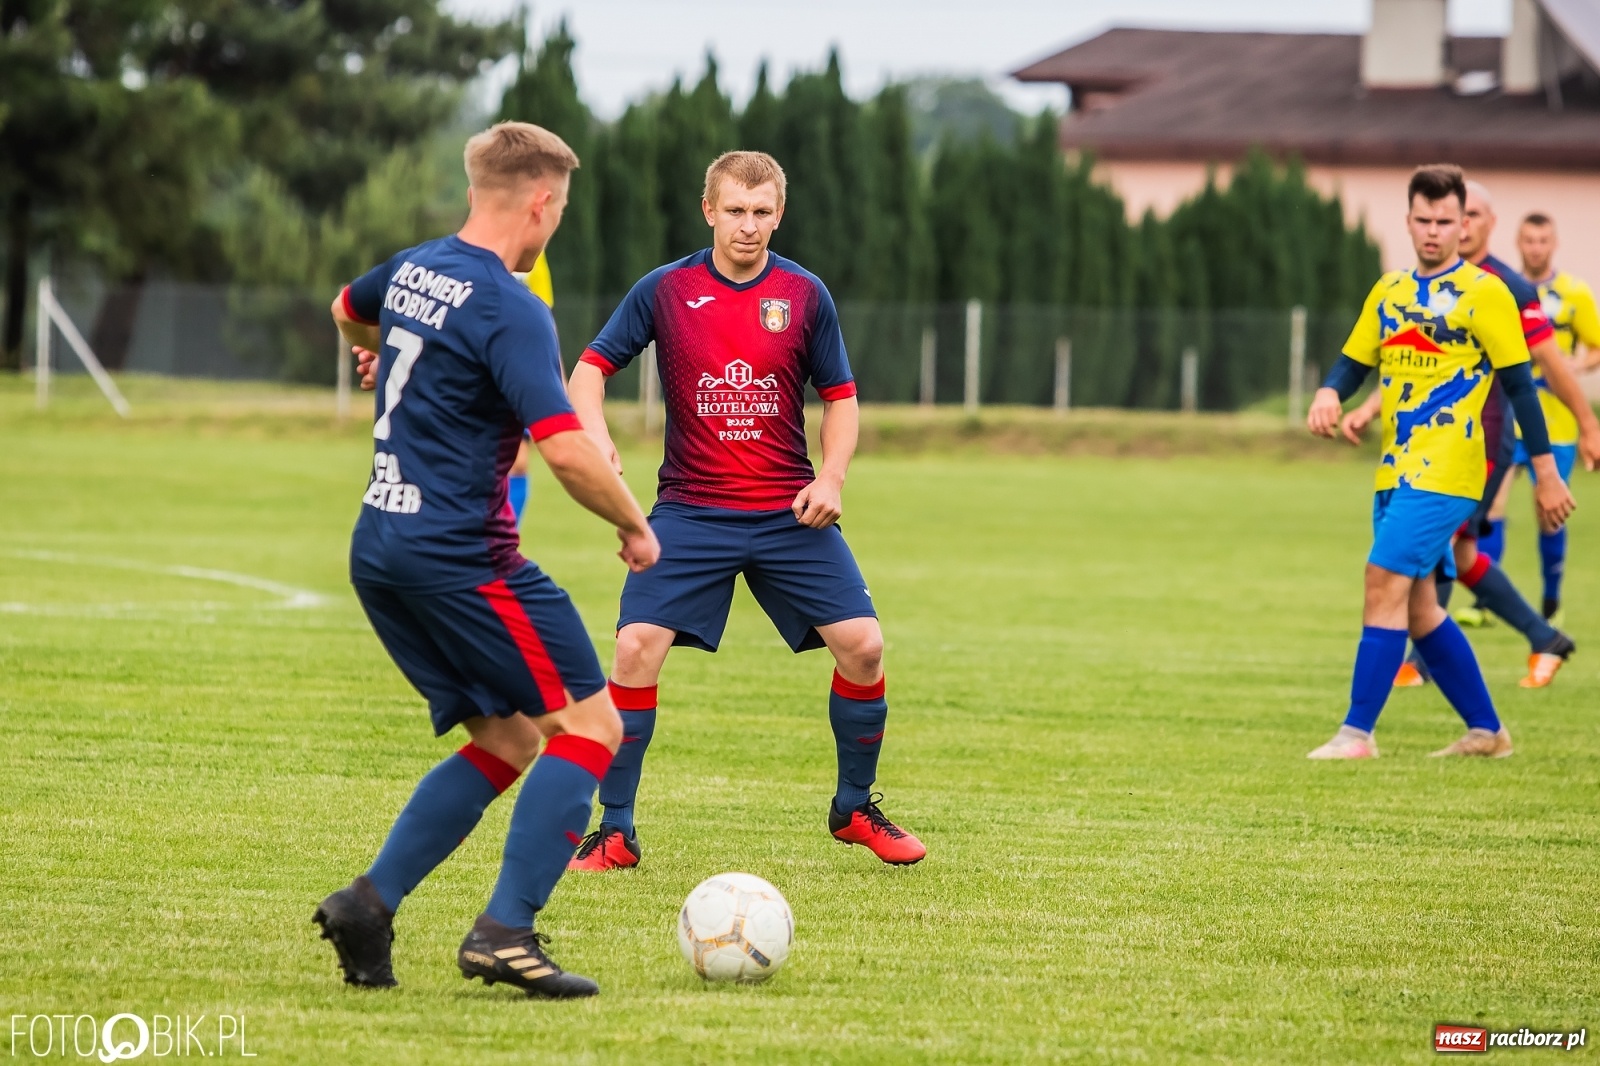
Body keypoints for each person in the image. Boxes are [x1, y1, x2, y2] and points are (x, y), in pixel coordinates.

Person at [316, 121, 660, 999]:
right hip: (461, 555)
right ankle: (506, 932)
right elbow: (568, 450)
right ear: (541, 202)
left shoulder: (414, 268)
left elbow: (346, 310)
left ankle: (369, 904)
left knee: (508, 739)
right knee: (593, 728)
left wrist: (393, 355)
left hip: (381, 548)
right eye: (561, 208)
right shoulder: (513, 306)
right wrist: (634, 525)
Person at [563, 150, 925, 870]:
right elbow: (589, 371)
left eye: (762, 213)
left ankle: (854, 807)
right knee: (635, 649)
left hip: (788, 511)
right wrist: (597, 438)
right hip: (691, 511)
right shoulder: (667, 289)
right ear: (709, 211)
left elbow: (842, 399)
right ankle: (616, 831)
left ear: (778, 214)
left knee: (865, 646)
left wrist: (834, 479)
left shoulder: (804, 293)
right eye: (735, 211)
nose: (749, 227)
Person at [1306, 163, 1573, 761]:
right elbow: (1354, 361)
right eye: (1423, 220)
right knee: (1421, 607)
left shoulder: (1487, 294)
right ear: (1408, 222)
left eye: (1445, 221)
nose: (1433, 231)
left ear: (1464, 225)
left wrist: (1547, 470)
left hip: (1450, 470)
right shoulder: (1390, 290)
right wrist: (1330, 391)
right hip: (1396, 469)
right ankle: (1488, 732)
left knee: (1382, 581)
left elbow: (1523, 389)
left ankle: (1356, 734)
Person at [1341, 179, 1596, 690]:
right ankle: (1538, 639)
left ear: (1477, 223)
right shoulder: (1418, 288)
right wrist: (1370, 405)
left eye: (1467, 215)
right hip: (1421, 447)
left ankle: (1419, 661)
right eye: (1427, 218)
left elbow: (1543, 367)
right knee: (1457, 554)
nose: (1448, 225)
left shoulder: (1505, 289)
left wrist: (1588, 424)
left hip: (1480, 441)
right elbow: (1415, 364)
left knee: (1425, 554)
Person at [1501, 212, 1600, 624]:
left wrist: (1573, 368)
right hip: (1508, 416)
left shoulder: (1573, 293)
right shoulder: (1503, 289)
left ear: (1553, 244)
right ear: (1518, 243)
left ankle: (1551, 600)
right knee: (1490, 507)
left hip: (1556, 420)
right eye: (1528, 240)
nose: (1535, 248)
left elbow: (1596, 347)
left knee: (1549, 516)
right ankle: (1484, 602)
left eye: (1543, 240)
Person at [507, 252, 557, 526]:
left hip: (522, 370)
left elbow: (546, 320)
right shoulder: (480, 250)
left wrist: (558, 379)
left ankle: (506, 536)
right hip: (486, 368)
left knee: (518, 462)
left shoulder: (534, 259)